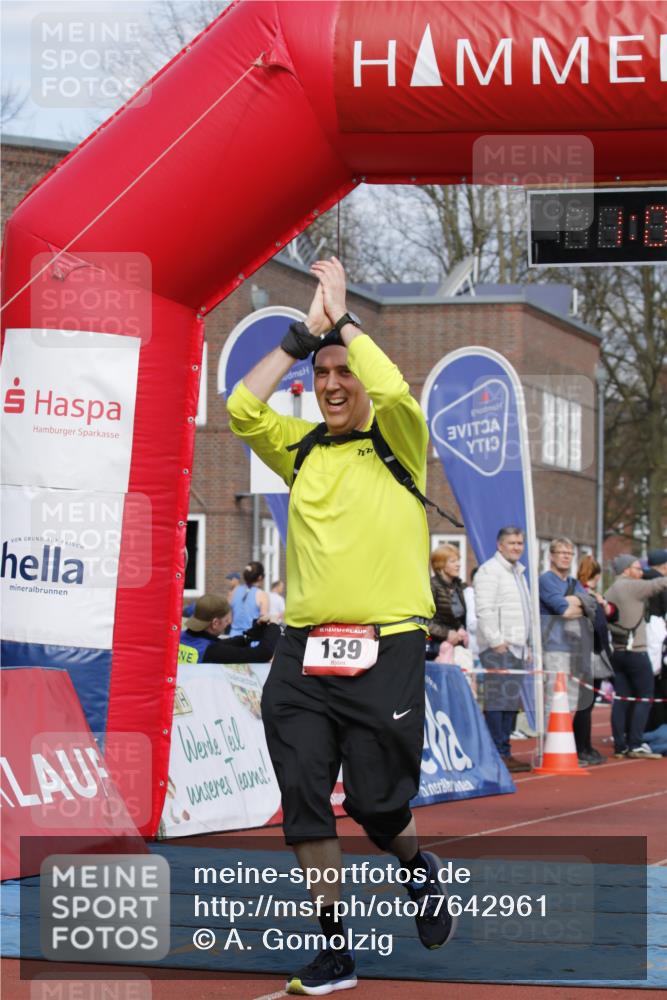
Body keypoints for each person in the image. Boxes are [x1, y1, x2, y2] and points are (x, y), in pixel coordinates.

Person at [227, 256, 453, 996]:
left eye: (340, 373)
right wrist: (302, 334)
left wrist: (345, 318)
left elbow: (389, 386)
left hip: (384, 647)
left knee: (376, 804)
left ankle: (416, 868)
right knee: (302, 800)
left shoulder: (398, 439)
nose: (329, 384)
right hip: (302, 652)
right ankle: (334, 950)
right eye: (319, 375)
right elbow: (239, 408)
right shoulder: (300, 451)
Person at [473, 526, 532, 773]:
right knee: (498, 701)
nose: (517, 547)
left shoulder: (518, 573)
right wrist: (496, 640)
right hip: (499, 648)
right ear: (500, 545)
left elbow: (524, 611)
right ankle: (497, 752)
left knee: (510, 703)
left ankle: (505, 750)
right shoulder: (489, 572)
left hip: (517, 647)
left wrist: (526, 645)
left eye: (520, 543)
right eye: (512, 543)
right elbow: (484, 609)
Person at [539, 538, 596, 766]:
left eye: (569, 553)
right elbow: (563, 610)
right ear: (551, 556)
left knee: (570, 701)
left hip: (574, 648)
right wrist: (579, 605)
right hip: (553, 646)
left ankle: (563, 747)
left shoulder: (573, 582)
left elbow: (591, 607)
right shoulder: (546, 580)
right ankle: (549, 749)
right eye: (561, 552)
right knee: (554, 699)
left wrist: (579, 604)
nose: (565, 556)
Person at [605, 553, 667, 759]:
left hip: (618, 651)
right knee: (645, 697)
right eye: (636, 567)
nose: (641, 571)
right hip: (637, 652)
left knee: (621, 698)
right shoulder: (631, 587)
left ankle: (620, 744)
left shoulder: (611, 590)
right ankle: (636, 742)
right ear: (626, 570)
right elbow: (659, 584)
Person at [576, 555, 617, 763]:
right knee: (585, 704)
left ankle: (585, 746)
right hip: (591, 653)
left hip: (588, 652)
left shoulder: (583, 593)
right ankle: (581, 747)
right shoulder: (587, 595)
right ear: (598, 576)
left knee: (586, 704)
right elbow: (600, 626)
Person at [179, 593, 280, 664]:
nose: (229, 623)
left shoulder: (179, 638)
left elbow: (221, 644)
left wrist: (250, 635)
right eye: (227, 620)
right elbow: (263, 654)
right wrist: (274, 624)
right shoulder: (212, 651)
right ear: (215, 623)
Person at [427, 544, 468, 654]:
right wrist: (447, 633)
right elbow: (424, 621)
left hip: (457, 646)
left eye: (458, 560)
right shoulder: (431, 586)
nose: (458, 564)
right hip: (436, 647)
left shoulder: (459, 587)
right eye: (453, 561)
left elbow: (457, 618)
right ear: (440, 564)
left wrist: (460, 629)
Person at [644, 549, 667, 731]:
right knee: (658, 687)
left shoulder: (638, 581)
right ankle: (657, 730)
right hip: (657, 637)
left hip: (638, 637)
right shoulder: (661, 584)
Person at [229, 561, 269, 637]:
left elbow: (229, 619)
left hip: (233, 637)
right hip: (251, 639)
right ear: (260, 577)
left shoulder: (234, 591)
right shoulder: (262, 595)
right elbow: (263, 620)